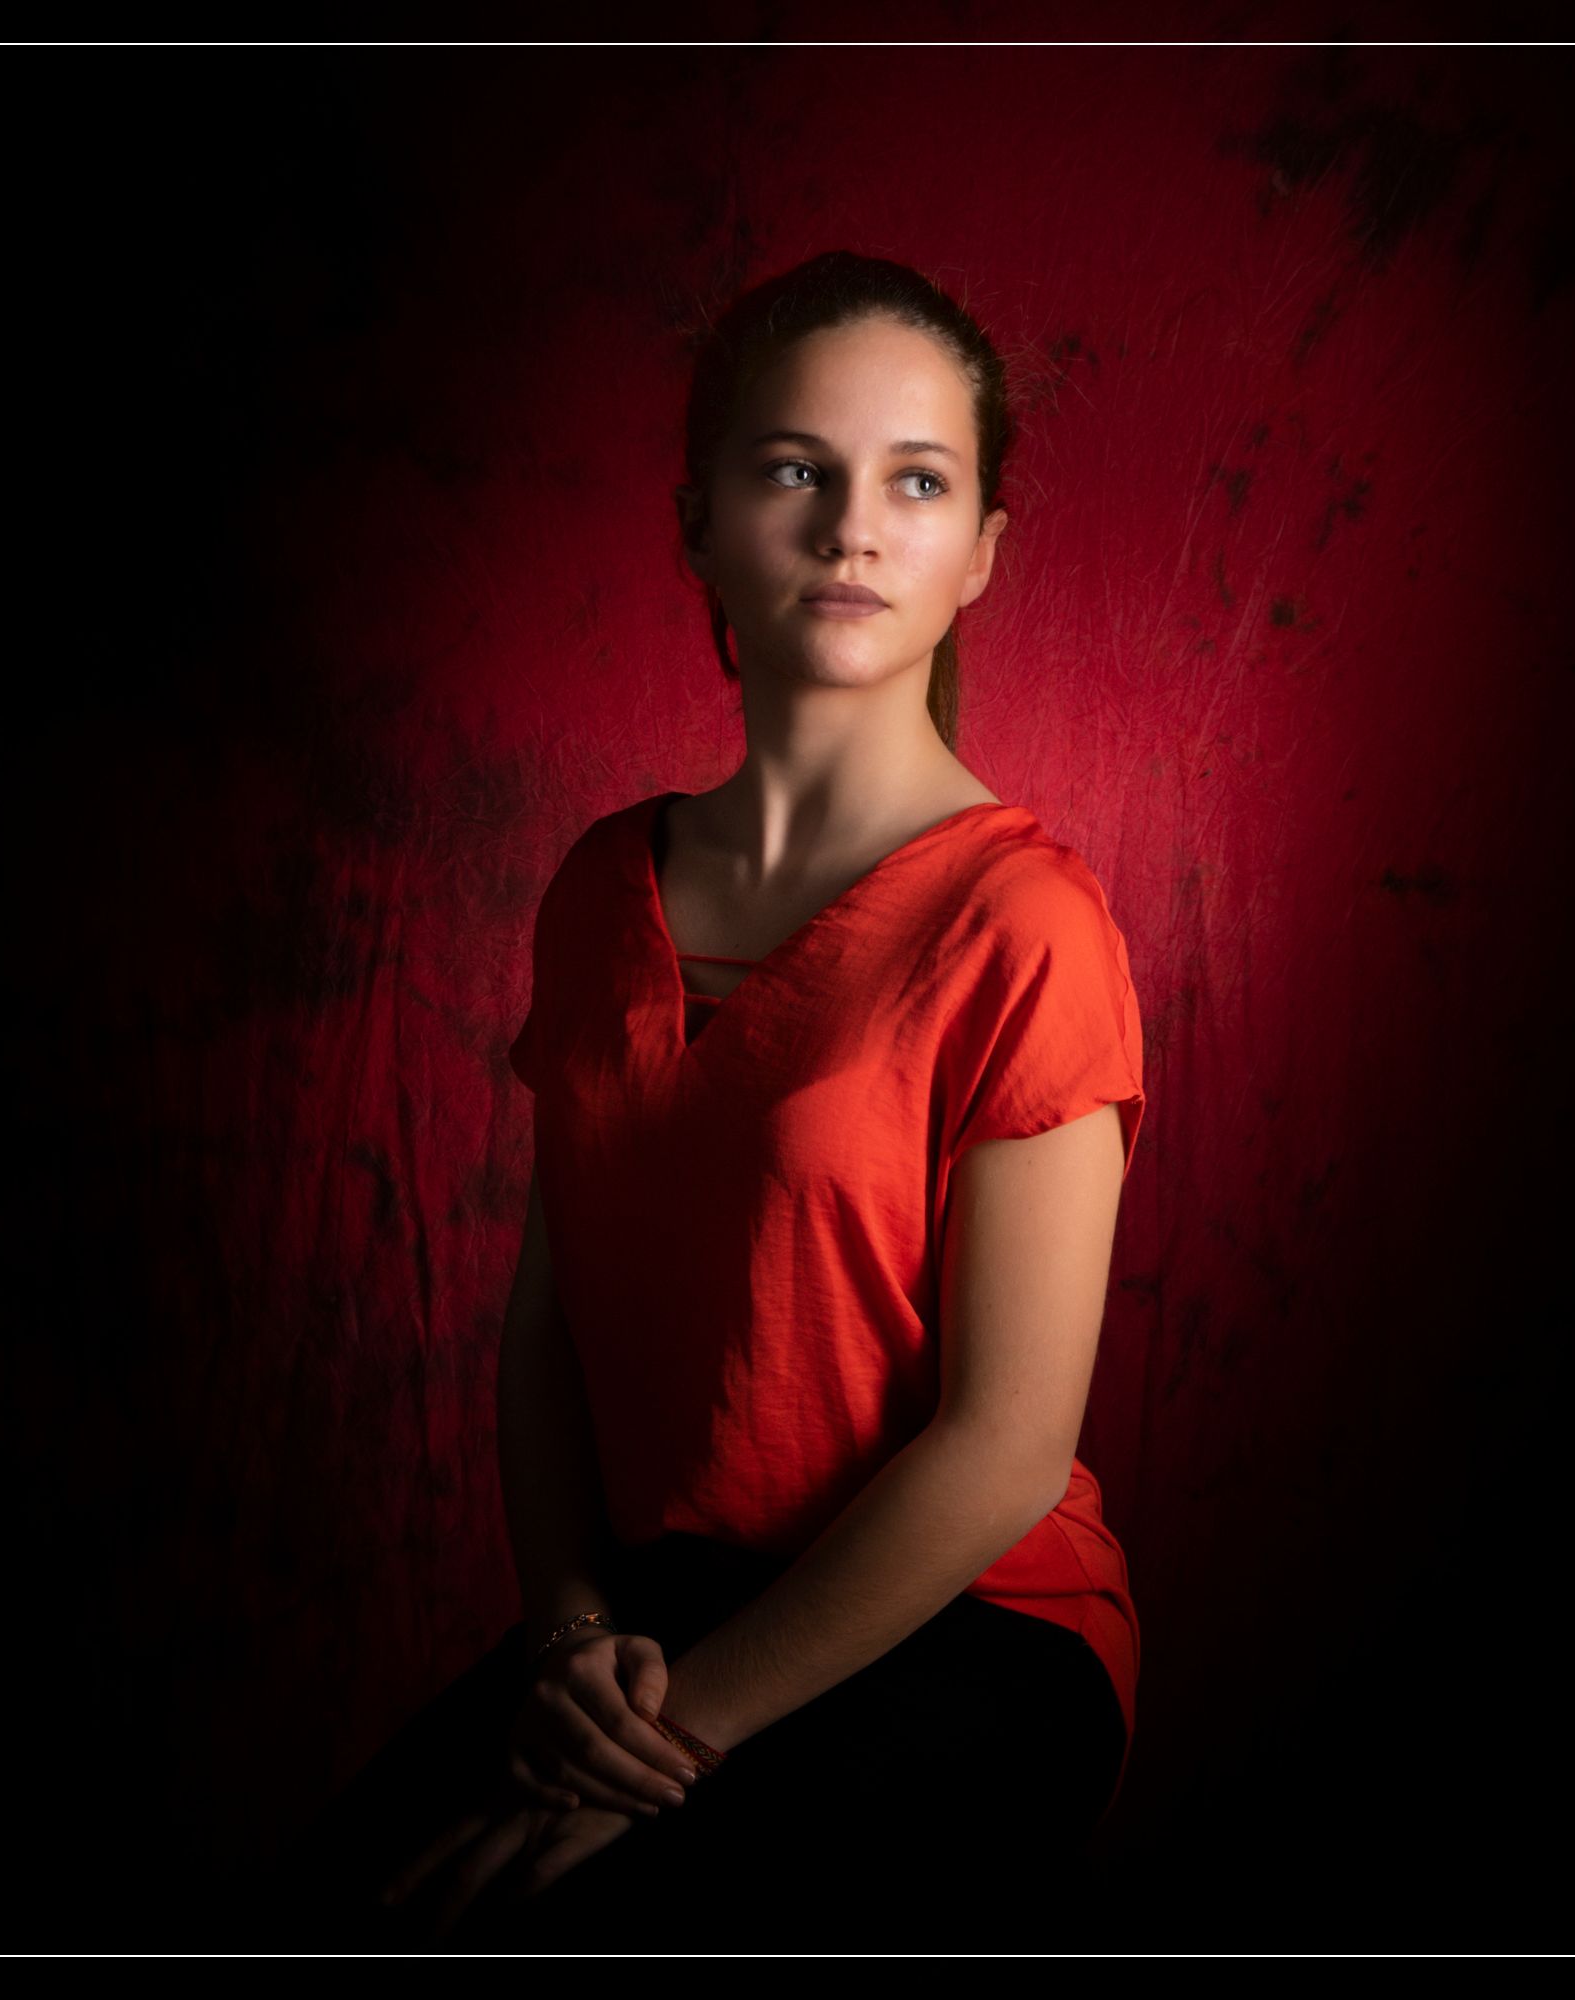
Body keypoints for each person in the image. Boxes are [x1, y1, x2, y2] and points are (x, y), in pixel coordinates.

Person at [258, 250, 1147, 1954]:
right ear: (698, 524)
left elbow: (1008, 1446)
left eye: (918, 481)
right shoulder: (603, 889)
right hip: (663, 1607)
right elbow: (548, 1327)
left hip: (970, 1619)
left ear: (981, 556)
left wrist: (665, 1741)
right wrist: (572, 1639)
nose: (852, 526)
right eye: (796, 469)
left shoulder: (1024, 922)